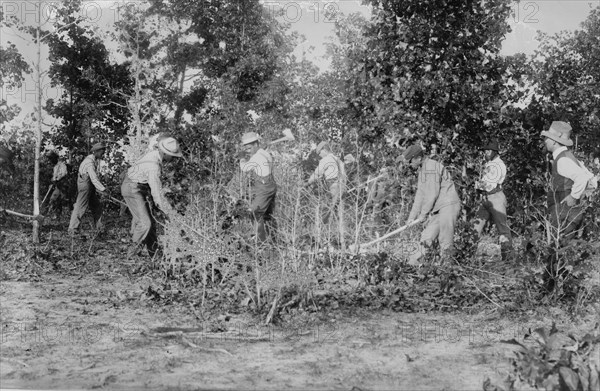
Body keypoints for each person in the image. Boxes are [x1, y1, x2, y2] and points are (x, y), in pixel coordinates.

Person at [541, 121, 596, 290]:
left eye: (547, 139)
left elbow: (583, 178)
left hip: (565, 211)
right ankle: (560, 289)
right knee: (561, 249)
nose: (545, 141)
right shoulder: (566, 156)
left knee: (558, 249)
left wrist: (573, 196)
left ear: (555, 141)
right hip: (567, 211)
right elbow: (592, 179)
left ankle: (552, 291)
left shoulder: (563, 160)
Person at [121, 137, 183, 258]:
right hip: (132, 188)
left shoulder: (154, 155)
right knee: (145, 223)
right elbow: (156, 194)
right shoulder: (154, 167)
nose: (173, 158)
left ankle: (154, 254)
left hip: (138, 187)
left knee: (150, 223)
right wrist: (168, 211)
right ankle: (132, 254)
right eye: (171, 155)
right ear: (165, 153)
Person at [403, 144, 461, 265]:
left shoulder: (431, 168)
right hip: (438, 209)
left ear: (418, 158)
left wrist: (423, 214)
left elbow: (431, 195)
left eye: (410, 161)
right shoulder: (423, 170)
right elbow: (420, 195)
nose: (409, 164)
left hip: (448, 206)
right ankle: (411, 265)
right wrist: (411, 217)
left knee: (445, 241)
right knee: (426, 238)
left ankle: (447, 271)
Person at [473, 140, 514, 261]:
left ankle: (508, 259)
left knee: (502, 229)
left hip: (495, 197)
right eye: (485, 150)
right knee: (475, 228)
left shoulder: (498, 165)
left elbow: (489, 185)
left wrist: (477, 185)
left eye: (489, 150)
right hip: (486, 198)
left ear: (495, 152)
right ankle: (467, 255)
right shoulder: (489, 164)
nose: (486, 153)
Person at [238, 132, 277, 243]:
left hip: (264, 188)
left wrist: (242, 159)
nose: (248, 151)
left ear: (256, 144)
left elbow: (244, 168)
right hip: (271, 186)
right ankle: (273, 242)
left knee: (255, 213)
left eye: (249, 148)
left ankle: (260, 242)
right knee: (267, 217)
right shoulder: (265, 153)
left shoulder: (257, 157)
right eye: (246, 149)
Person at [68, 143, 108, 237]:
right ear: (96, 152)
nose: (103, 154)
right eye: (102, 152)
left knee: (97, 206)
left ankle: (100, 229)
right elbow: (94, 178)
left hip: (89, 185)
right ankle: (73, 229)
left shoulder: (93, 160)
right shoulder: (89, 162)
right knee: (80, 206)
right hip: (85, 185)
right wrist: (103, 189)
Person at [307, 141, 346, 224]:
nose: (319, 155)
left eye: (320, 152)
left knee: (326, 211)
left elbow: (317, 173)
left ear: (324, 150)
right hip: (343, 187)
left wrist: (308, 183)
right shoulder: (338, 159)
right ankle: (338, 231)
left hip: (333, 186)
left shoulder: (326, 160)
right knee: (338, 212)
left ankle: (324, 230)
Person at [46, 151, 69, 219]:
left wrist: (57, 178)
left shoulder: (62, 165)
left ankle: (57, 215)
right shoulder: (55, 167)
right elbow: (54, 177)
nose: (50, 161)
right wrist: (53, 181)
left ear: (55, 158)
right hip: (57, 186)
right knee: (54, 200)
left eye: (51, 159)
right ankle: (56, 216)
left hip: (63, 185)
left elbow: (64, 173)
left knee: (56, 200)